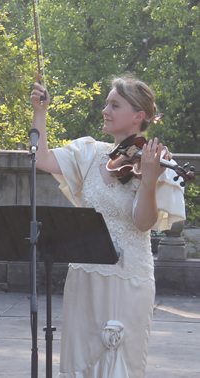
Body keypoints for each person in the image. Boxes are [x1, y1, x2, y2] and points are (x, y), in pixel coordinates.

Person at [29, 72, 185, 377]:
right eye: (106, 104)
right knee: (81, 362)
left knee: (120, 361)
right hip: (85, 273)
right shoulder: (89, 153)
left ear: (138, 116)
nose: (105, 111)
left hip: (128, 276)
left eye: (114, 105)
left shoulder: (153, 162)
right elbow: (41, 159)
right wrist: (40, 112)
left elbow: (143, 223)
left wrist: (150, 180)